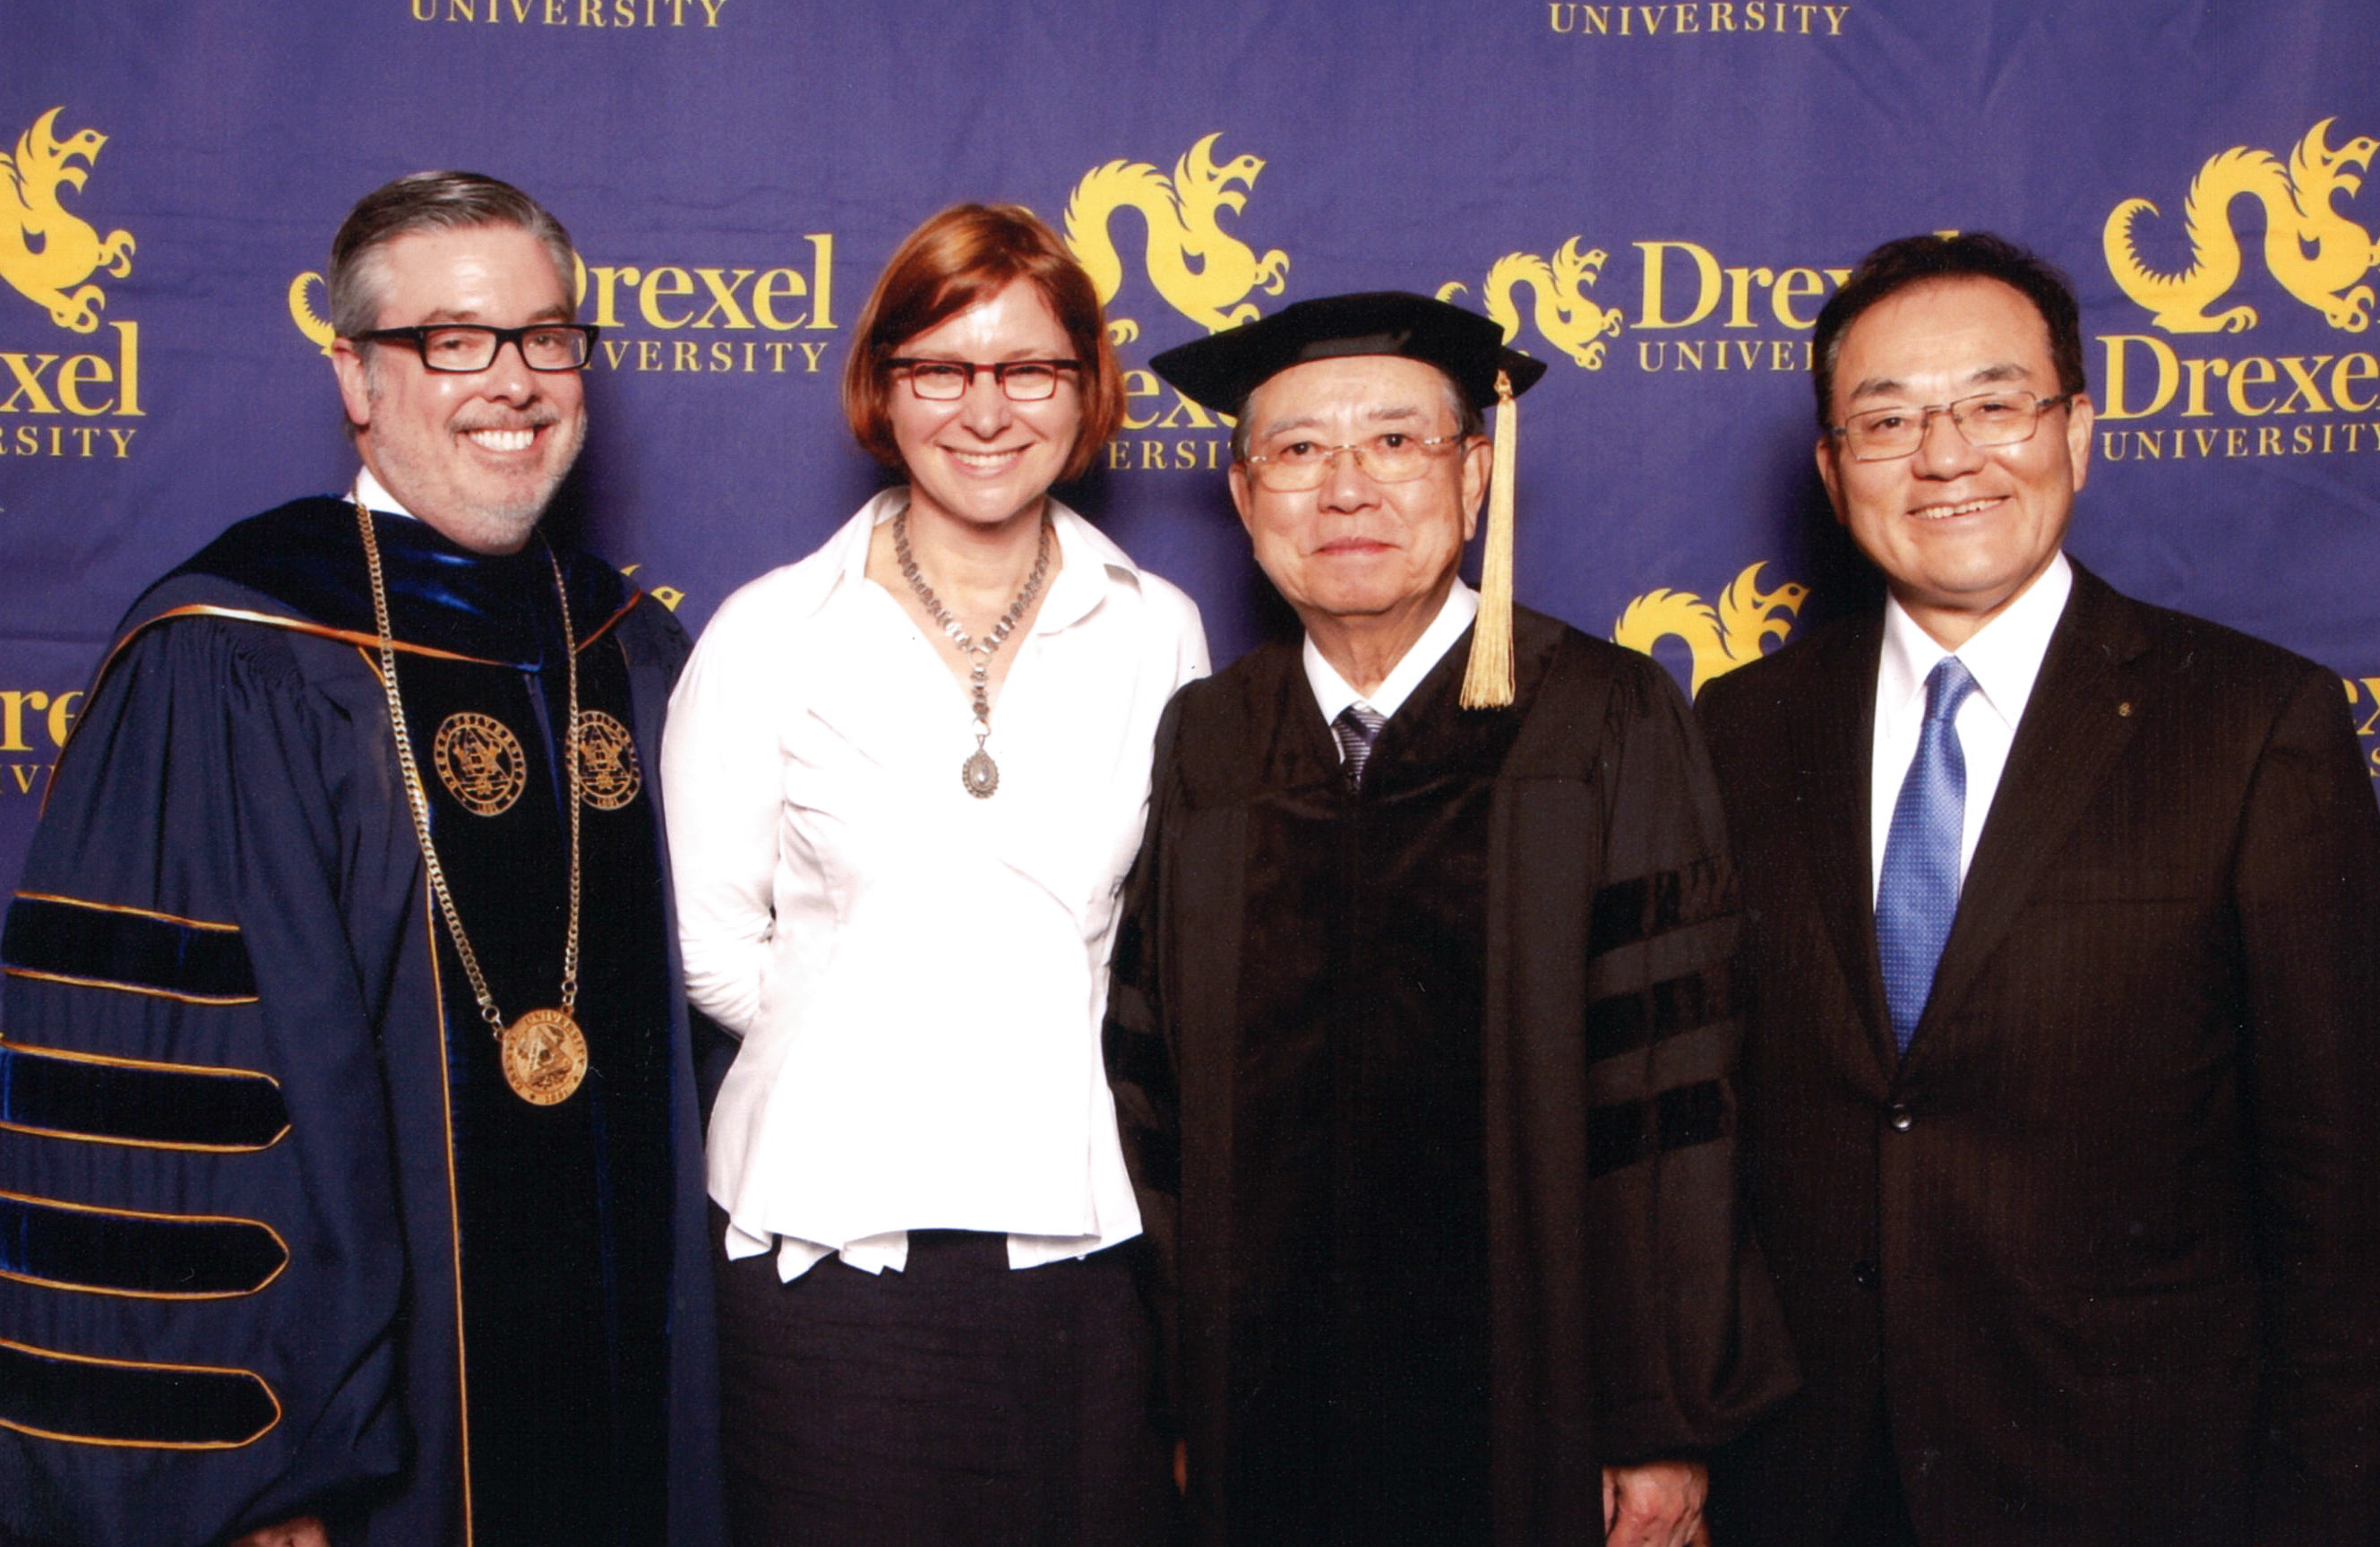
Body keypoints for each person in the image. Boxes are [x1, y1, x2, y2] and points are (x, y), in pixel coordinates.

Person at [0, 171, 721, 1547]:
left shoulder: (623, 646)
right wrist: (261, 1465)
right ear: (354, 375)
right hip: (361, 1459)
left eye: (545, 337)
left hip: (636, 1402)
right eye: (452, 341)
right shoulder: (233, 656)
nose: (511, 382)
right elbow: (173, 1099)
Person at [1698, 232, 2380, 1545]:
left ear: (2077, 427)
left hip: (2134, 1478)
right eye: (1886, 419)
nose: (1945, 456)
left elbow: (2338, 1186)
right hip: (1810, 1477)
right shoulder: (1738, 726)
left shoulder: (2250, 723)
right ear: (1833, 467)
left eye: (1994, 405)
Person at [1104, 291, 1794, 1547]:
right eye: (1299, 451)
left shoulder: (1605, 718)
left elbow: (1673, 1102)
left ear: (1474, 478)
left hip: (1538, 1419)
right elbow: (1159, 1100)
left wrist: (1652, 1419)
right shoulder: (1209, 737)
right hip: (1263, 1418)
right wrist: (1189, 1388)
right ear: (1245, 496)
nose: (1346, 489)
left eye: (1395, 443)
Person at [662, 202, 1207, 1546]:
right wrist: (877, 1040)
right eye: (940, 370)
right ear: (882, 389)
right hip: (830, 1262)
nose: (986, 409)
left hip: (1095, 1258)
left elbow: (1167, 941)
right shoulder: (771, 629)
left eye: (1029, 369)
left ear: (1086, 392)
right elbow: (709, 944)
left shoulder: (1158, 629)